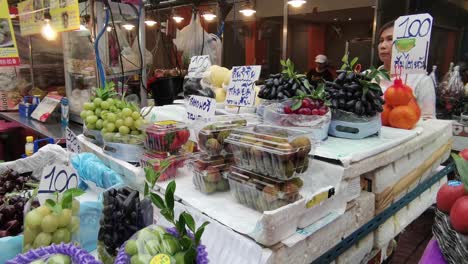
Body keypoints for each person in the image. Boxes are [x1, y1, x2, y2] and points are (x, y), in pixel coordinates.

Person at [377, 20, 436, 119]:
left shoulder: (422, 80)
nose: (383, 46)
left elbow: (429, 120)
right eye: (381, 40)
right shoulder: (367, 76)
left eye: (390, 39)